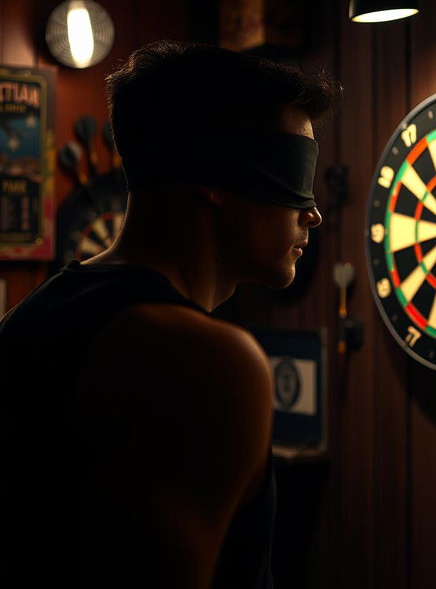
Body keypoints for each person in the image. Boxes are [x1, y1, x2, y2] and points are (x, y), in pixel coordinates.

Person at [0, 40, 340, 588]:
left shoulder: (38, 316)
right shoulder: (203, 361)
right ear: (215, 176)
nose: (314, 213)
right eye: (295, 176)